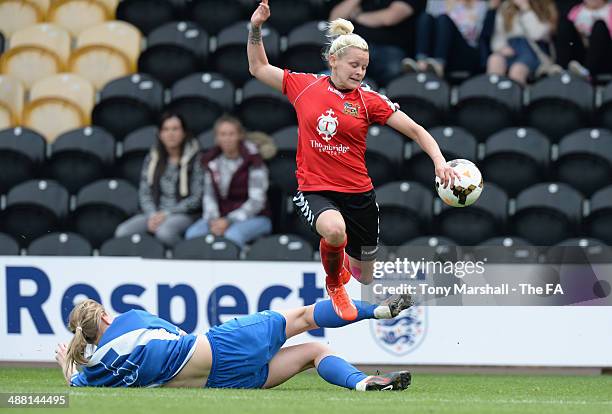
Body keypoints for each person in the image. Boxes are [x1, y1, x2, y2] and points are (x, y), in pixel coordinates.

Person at [247, 0, 459, 321]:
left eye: (364, 67)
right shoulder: (304, 86)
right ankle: (335, 284)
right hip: (315, 188)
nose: (359, 72)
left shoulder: (369, 100)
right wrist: (255, 28)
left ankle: (341, 263)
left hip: (359, 195)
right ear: (333, 61)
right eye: (354, 65)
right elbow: (259, 68)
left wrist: (440, 162)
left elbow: (416, 130)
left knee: (366, 276)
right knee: (334, 231)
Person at [55, 296, 413, 390]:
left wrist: (65, 362)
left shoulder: (100, 370)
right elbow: (176, 334)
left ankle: (365, 384)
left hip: (220, 382)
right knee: (304, 319)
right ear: (103, 317)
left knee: (312, 353)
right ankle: (377, 311)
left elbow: (74, 381)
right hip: (222, 347)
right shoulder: (129, 318)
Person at [115, 113, 204, 247]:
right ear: (160, 134)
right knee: (123, 232)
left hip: (183, 214)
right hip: (153, 213)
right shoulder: (152, 158)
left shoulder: (196, 159)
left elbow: (197, 198)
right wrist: (152, 215)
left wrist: (167, 214)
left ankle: (182, 257)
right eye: (166, 129)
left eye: (175, 129)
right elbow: (144, 192)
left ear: (184, 132)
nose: (170, 134)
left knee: (165, 232)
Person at [184, 115, 272, 248]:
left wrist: (229, 220)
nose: (227, 138)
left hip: (255, 217)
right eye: (223, 134)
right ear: (217, 138)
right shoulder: (211, 161)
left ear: (240, 136)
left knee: (232, 236)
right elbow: (209, 196)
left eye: (231, 134)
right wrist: (214, 221)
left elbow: (257, 201)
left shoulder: (254, 161)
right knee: (193, 235)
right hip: (219, 219)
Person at [329, 0, 426, 85]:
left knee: (392, 69)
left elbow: (389, 18)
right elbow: (334, 19)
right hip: (354, 47)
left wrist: (357, 16)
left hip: (390, 47)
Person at [403, 0, 491, 78]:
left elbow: (476, 33)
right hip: (439, 48)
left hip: (465, 49)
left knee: (444, 19)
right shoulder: (439, 3)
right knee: (425, 17)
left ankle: (439, 65)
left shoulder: (481, 5)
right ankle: (421, 63)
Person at [486, 0, 558, 85]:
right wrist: (501, 48)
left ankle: (515, 96)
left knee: (517, 70)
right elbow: (498, 35)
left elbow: (537, 34)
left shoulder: (544, 5)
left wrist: (526, 9)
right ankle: (492, 95)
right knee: (494, 60)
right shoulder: (505, 7)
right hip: (511, 47)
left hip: (533, 50)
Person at [555, 0, 612, 80]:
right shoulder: (576, 10)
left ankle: (587, 71)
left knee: (599, 26)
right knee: (564, 24)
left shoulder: (609, 9)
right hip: (581, 53)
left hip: (603, 54)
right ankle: (560, 69)